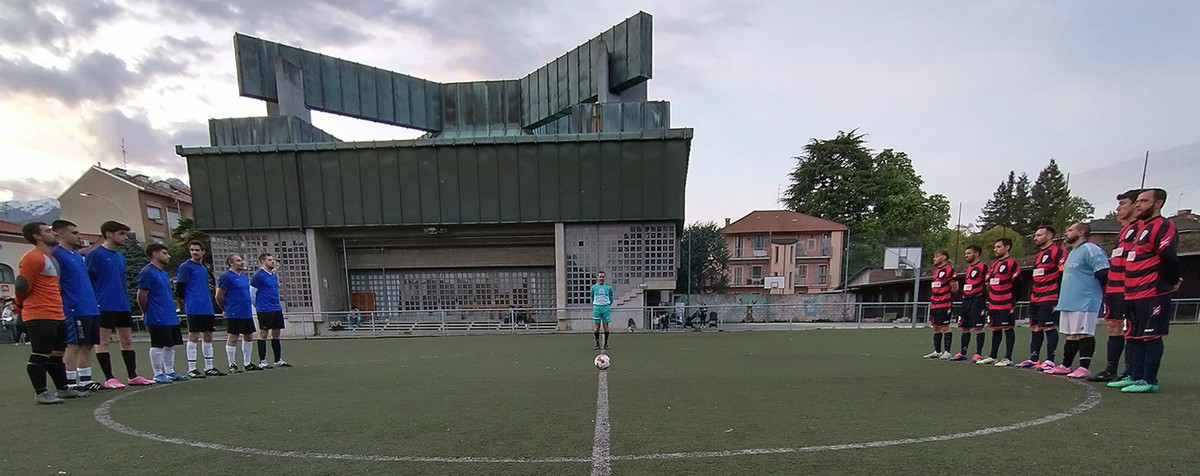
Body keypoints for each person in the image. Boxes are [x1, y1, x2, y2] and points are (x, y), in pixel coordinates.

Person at [1109, 188, 1180, 393]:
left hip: (1152, 291)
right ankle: (1134, 375)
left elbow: (1169, 256)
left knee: (1151, 335)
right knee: (1134, 335)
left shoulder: (1163, 226)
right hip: (1132, 292)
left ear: (1158, 203)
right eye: (1138, 201)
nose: (1138, 205)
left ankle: (1149, 380)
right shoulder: (1140, 227)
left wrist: (1172, 280)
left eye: (1144, 201)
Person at [16, 222, 89, 404]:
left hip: (57, 313)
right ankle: (41, 393)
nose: (53, 234)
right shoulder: (32, 257)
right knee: (40, 354)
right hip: (39, 314)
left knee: (57, 354)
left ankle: (63, 389)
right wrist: (19, 303)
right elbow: (22, 285)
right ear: (37, 236)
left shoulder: (52, 259)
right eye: (48, 231)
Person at [87, 220, 155, 387]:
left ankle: (133, 376)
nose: (125, 237)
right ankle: (109, 378)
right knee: (103, 342)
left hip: (122, 305)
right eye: (121, 234)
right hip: (103, 305)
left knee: (127, 341)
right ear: (109, 234)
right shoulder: (95, 254)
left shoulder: (119, 257)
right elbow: (88, 280)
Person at [1089, 189, 1142, 382]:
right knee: (1113, 326)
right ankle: (1111, 369)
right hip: (1113, 289)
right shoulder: (1123, 231)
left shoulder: (1141, 228)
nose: (1118, 209)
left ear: (1136, 205)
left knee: (1131, 329)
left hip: (1130, 289)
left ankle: (1130, 371)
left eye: (1123, 204)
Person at [1047, 223, 1109, 378]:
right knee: (1070, 334)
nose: (1066, 233)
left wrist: (1104, 295)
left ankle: (1084, 367)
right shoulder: (1073, 252)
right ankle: (1066, 365)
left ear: (1081, 232)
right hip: (1069, 301)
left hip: (1085, 300)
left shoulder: (1091, 249)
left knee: (1084, 333)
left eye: (1070, 230)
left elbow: (1103, 272)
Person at [51, 220, 104, 391]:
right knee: (74, 345)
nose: (79, 236)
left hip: (90, 307)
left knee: (88, 344)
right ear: (61, 234)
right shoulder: (57, 254)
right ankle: (70, 382)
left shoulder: (76, 255)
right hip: (74, 308)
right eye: (74, 233)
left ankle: (86, 380)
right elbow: (56, 283)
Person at [1017, 226, 1065, 370]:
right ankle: (1034, 359)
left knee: (1049, 327)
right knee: (1035, 328)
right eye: (1035, 235)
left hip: (1050, 296)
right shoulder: (1038, 255)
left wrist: (1059, 293)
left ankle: (1050, 360)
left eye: (1039, 235)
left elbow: (1064, 273)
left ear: (1049, 236)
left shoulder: (1058, 252)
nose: (1035, 238)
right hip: (1035, 297)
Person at [139, 243, 187, 383]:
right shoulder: (147, 271)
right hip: (156, 314)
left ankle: (170, 371)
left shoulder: (163, 273)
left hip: (169, 314)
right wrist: (145, 311)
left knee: (170, 344)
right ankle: (158, 373)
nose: (168, 256)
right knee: (158, 344)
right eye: (165, 253)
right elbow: (141, 294)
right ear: (155, 254)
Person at [177, 241, 224, 378]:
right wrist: (188, 301)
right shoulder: (185, 267)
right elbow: (180, 288)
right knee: (194, 335)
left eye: (197, 250)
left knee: (208, 334)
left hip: (206, 307)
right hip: (194, 307)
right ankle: (192, 368)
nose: (194, 252)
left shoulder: (203, 268)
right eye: (192, 250)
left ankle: (209, 367)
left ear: (203, 252)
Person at [978, 238, 1020, 367]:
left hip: (1006, 302)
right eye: (995, 247)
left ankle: (1008, 358)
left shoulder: (1012, 263)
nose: (995, 249)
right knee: (995, 329)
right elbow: (989, 283)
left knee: (1007, 328)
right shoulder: (994, 265)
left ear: (1007, 247)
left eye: (998, 247)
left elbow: (1018, 284)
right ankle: (993, 356)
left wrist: (1012, 299)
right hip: (994, 303)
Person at [216, 253, 255, 374]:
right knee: (233, 337)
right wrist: (225, 309)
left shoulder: (243, 277)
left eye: (242, 260)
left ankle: (247, 363)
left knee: (248, 336)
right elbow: (219, 296)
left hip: (246, 311)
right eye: (238, 260)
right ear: (231, 263)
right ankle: (232, 364)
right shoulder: (226, 277)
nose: (241, 262)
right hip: (234, 311)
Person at [950, 246, 988, 362]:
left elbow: (988, 284)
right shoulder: (969, 269)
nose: (966, 255)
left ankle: (978, 354)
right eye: (965, 253)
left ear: (976, 254)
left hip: (977, 300)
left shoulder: (983, 267)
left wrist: (985, 297)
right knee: (964, 327)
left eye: (968, 253)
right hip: (966, 300)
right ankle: (963, 352)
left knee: (978, 327)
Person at [251, 252, 288, 368]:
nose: (272, 262)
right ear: (263, 261)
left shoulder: (273, 276)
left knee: (276, 333)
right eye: (269, 260)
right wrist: (259, 306)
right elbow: (252, 293)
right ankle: (262, 361)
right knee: (263, 333)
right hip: (264, 309)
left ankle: (278, 360)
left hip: (276, 308)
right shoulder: (258, 276)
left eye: (273, 260)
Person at [925, 250, 956, 359]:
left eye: (937, 256)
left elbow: (955, 287)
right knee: (935, 327)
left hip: (945, 303)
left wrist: (946, 295)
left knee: (945, 327)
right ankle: (937, 351)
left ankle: (947, 351)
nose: (934, 259)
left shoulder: (949, 269)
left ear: (944, 257)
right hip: (934, 303)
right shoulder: (935, 272)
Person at [590, 271, 613, 350]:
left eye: (603, 277)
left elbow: (611, 298)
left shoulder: (608, 288)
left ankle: (606, 344)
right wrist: (595, 304)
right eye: (600, 277)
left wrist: (608, 305)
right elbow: (592, 297)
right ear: (597, 277)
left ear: (604, 277)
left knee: (606, 326)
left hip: (605, 308)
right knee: (597, 327)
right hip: (597, 308)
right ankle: (597, 344)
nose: (601, 278)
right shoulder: (593, 288)